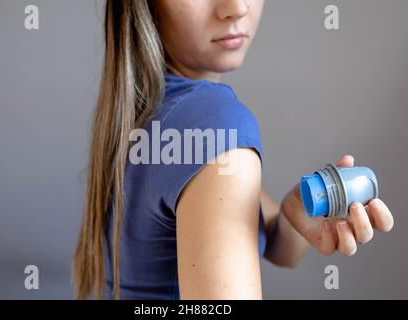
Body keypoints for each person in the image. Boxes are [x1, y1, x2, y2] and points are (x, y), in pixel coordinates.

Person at [71, 0, 394, 300]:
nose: (236, 8)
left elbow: (280, 250)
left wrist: (295, 213)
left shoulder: (144, 110)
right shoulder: (212, 123)